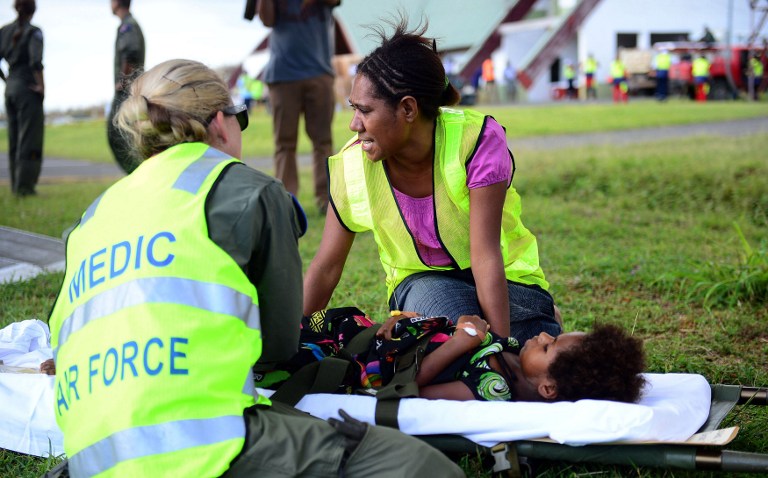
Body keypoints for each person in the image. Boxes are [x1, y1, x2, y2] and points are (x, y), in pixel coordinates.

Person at [46, 59, 463, 478]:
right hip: (199, 445)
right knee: (427, 468)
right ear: (221, 123)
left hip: (89, 455)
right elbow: (278, 345)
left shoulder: (92, 216)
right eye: (240, 119)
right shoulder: (250, 192)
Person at [303, 18, 562, 347]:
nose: (355, 124)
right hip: (424, 286)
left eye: (365, 110)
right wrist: (289, 339)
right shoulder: (352, 165)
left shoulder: (476, 140)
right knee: (458, 333)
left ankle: (533, 321)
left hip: (506, 281)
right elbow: (326, 266)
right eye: (354, 109)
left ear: (408, 108)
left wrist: (499, 347)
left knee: (529, 352)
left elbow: (485, 256)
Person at [376, 315, 646, 403]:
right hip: (397, 337)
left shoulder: (493, 387)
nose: (541, 335)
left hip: (376, 362)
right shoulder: (515, 352)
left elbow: (411, 389)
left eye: (547, 347)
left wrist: (460, 342)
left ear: (548, 388)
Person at [258, 0, 338, 214]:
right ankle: (286, 200)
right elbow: (266, 20)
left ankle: (326, 199)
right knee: (284, 142)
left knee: (323, 140)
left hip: (318, 72)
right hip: (282, 75)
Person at [0, 0, 44, 197]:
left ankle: (16, 186)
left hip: (10, 89)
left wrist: (7, 80)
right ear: (32, 11)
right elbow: (36, 61)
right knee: (29, 139)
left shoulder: (4, 31)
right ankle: (25, 188)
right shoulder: (34, 31)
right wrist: (42, 86)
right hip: (27, 88)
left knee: (14, 139)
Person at [108, 0, 145, 174]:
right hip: (129, 88)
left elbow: (130, 53)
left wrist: (123, 82)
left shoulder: (128, 26)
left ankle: (136, 173)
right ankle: (136, 173)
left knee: (117, 133)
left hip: (127, 90)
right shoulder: (127, 25)